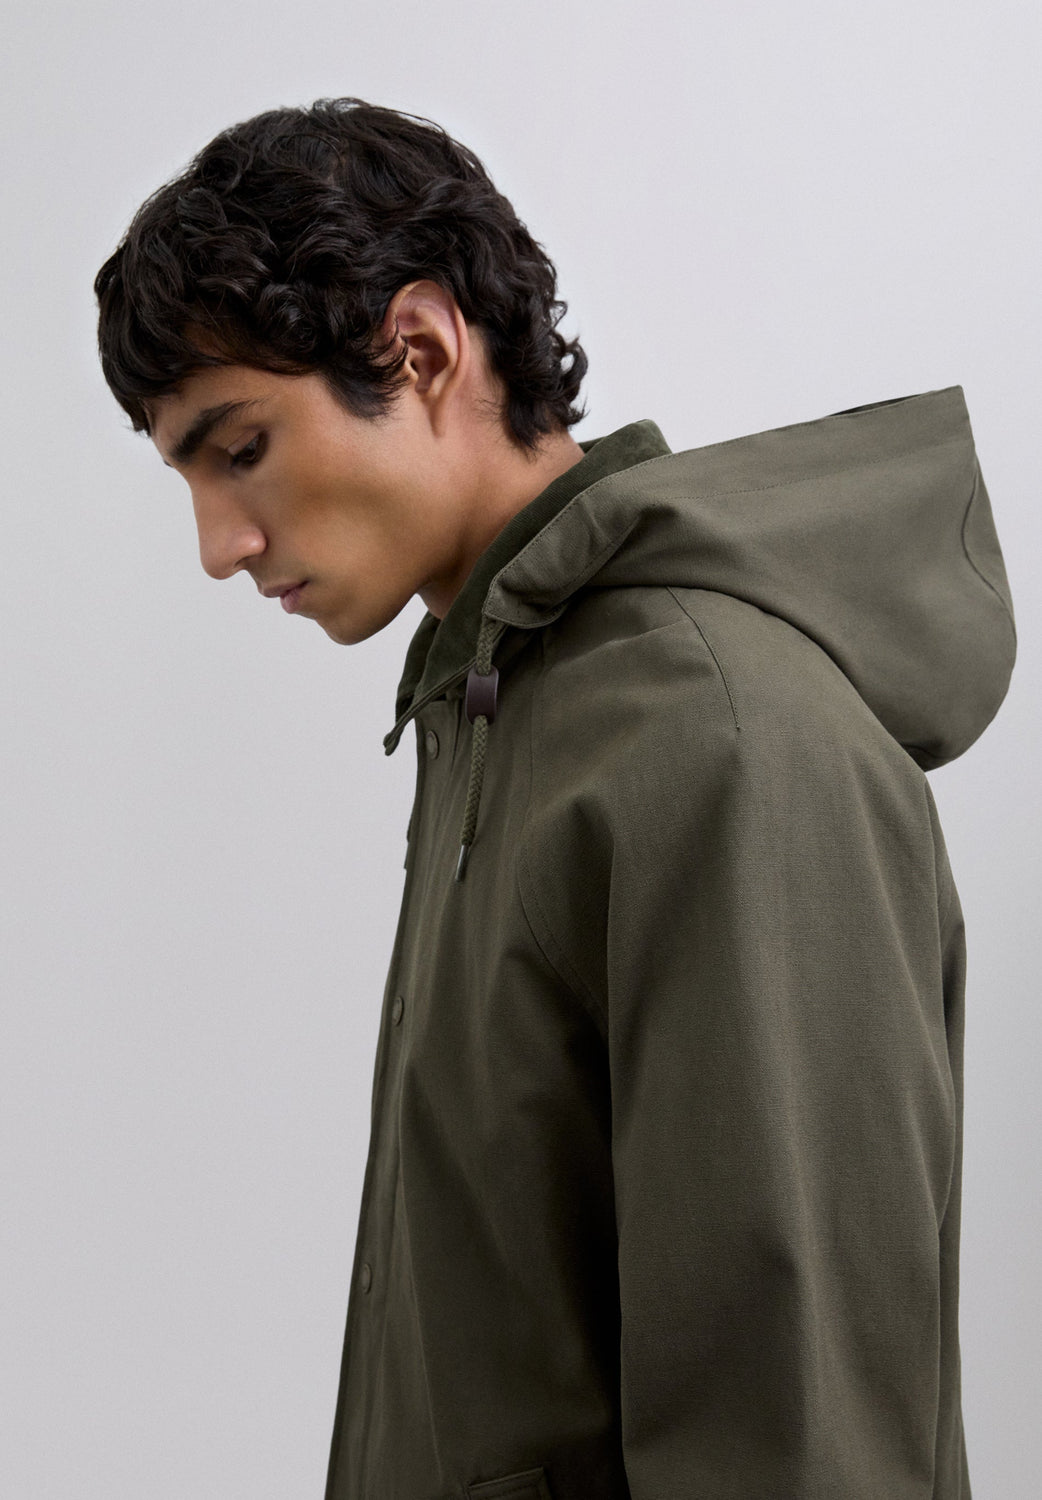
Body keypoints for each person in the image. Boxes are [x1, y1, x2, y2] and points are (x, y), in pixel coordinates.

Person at [93, 97, 1016, 1500]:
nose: (219, 546)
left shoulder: (715, 740)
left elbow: (795, 1435)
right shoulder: (506, 706)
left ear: (420, 350)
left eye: (240, 449)